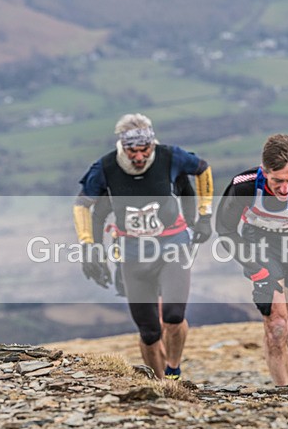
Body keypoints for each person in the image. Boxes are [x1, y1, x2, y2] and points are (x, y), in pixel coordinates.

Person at [73, 113, 213, 379]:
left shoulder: (169, 156)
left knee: (173, 315)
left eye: (144, 149)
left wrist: (204, 215)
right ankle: (160, 385)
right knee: (149, 332)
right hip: (132, 253)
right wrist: (88, 246)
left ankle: (173, 370)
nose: (139, 157)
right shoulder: (106, 167)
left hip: (173, 246)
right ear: (122, 147)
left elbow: (202, 168)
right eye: (132, 150)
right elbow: (83, 204)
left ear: (152, 143)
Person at [216, 134, 288, 387]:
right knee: (277, 326)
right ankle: (283, 391)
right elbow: (225, 230)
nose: (285, 189)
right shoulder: (244, 186)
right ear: (264, 172)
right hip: (262, 246)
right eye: (277, 181)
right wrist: (256, 272)